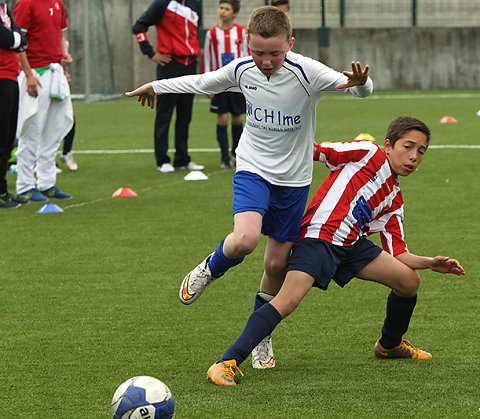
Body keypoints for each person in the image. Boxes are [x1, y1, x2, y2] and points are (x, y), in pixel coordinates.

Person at [126, 6, 372, 369]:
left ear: (290, 43)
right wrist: (156, 86)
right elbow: (200, 81)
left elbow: (357, 90)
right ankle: (210, 268)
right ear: (247, 44)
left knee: (276, 263)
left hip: (294, 180)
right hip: (253, 168)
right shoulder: (242, 69)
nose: (267, 60)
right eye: (259, 53)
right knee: (245, 239)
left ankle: (262, 334)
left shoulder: (307, 71)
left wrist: (361, 83)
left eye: (275, 53)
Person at [205, 117, 466, 386]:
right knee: (287, 301)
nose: (413, 157)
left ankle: (389, 345)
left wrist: (431, 262)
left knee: (409, 280)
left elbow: (399, 253)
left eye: (421, 151)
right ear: (388, 145)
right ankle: (226, 362)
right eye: (408, 147)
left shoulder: (394, 198)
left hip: (351, 246)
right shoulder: (367, 152)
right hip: (319, 236)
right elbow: (319, 151)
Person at [132, 0, 205, 174]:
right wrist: (150, 53)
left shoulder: (195, 3)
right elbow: (138, 27)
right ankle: (162, 160)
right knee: (164, 114)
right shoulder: (162, 4)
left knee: (185, 115)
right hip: (170, 65)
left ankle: (182, 158)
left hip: (190, 67)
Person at [14, 0, 74, 202]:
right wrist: (28, 74)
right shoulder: (26, 3)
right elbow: (19, 41)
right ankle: (25, 185)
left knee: (54, 130)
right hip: (35, 73)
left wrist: (63, 57)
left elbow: (60, 34)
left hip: (56, 72)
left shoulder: (57, 2)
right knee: (31, 130)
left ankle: (47, 182)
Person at [203, 0, 249, 169]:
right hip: (219, 82)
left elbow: (247, 56)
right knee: (222, 118)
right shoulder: (212, 33)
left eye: (226, 9)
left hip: (236, 83)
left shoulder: (242, 32)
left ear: (235, 13)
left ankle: (236, 154)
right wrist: (208, 83)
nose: (222, 11)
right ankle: (224, 158)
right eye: (221, 8)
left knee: (237, 118)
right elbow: (207, 58)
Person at [0, 2, 28, 208]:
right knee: (1, 138)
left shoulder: (5, 9)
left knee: (9, 138)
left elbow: (19, 38)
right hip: (1, 77)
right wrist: (15, 40)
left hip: (11, 76)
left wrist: (15, 39)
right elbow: (8, 38)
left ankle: (3, 190)